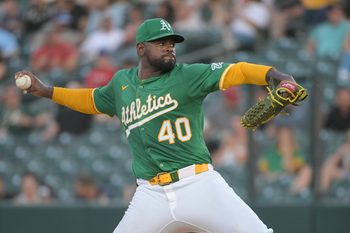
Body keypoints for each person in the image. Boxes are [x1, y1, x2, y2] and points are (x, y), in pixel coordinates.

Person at [15, 18, 304, 233]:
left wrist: (272, 74)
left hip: (199, 183)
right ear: (141, 48)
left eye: (172, 42)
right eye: (161, 42)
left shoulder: (187, 75)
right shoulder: (121, 84)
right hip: (150, 194)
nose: (169, 47)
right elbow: (90, 100)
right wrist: (47, 91)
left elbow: (236, 70)